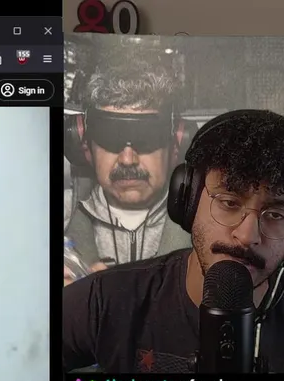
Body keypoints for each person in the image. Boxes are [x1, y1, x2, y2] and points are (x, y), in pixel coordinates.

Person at [62, 109, 284, 373]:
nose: (247, 236)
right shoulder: (103, 301)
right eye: (229, 203)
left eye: (276, 214)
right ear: (188, 201)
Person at [63, 54, 193, 285]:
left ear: (176, 146)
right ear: (85, 146)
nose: (127, 159)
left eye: (146, 139)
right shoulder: (45, 220)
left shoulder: (206, 224)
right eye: (110, 138)